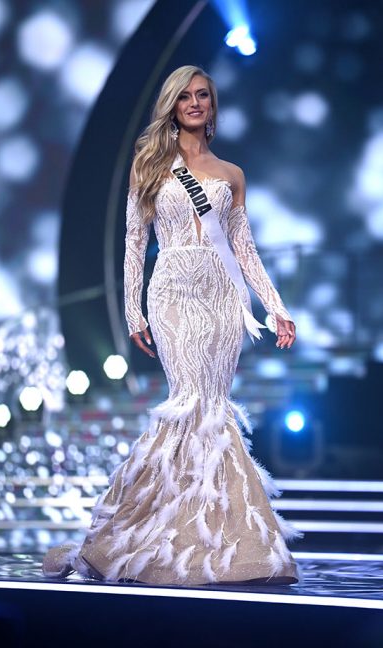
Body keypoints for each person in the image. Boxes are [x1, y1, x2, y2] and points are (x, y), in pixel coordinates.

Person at [43, 64, 303, 585]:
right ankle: (137, 534)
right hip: (172, 292)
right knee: (186, 404)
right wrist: (133, 311)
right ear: (172, 105)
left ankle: (222, 543)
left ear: (211, 105)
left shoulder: (232, 175)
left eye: (203, 95)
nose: (194, 103)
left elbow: (244, 249)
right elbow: (134, 244)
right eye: (184, 96)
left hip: (222, 296)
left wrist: (276, 306)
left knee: (212, 410)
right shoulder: (151, 166)